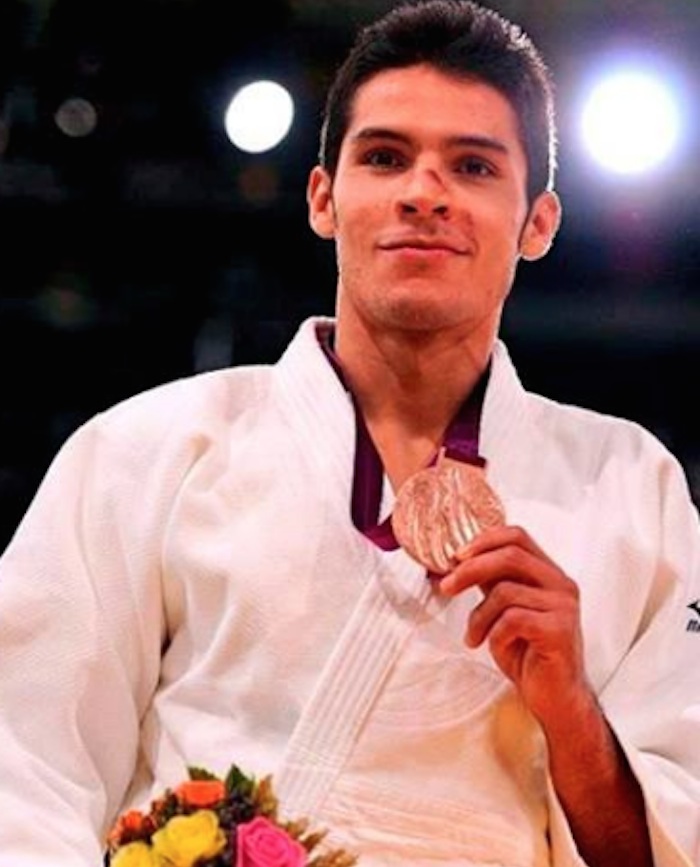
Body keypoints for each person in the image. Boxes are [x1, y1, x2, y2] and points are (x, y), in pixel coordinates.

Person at [0, 1, 698, 865]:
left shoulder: (633, 486)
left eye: (473, 166)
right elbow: (23, 762)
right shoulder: (147, 451)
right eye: (384, 156)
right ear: (325, 199)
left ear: (539, 222)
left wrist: (572, 713)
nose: (423, 193)